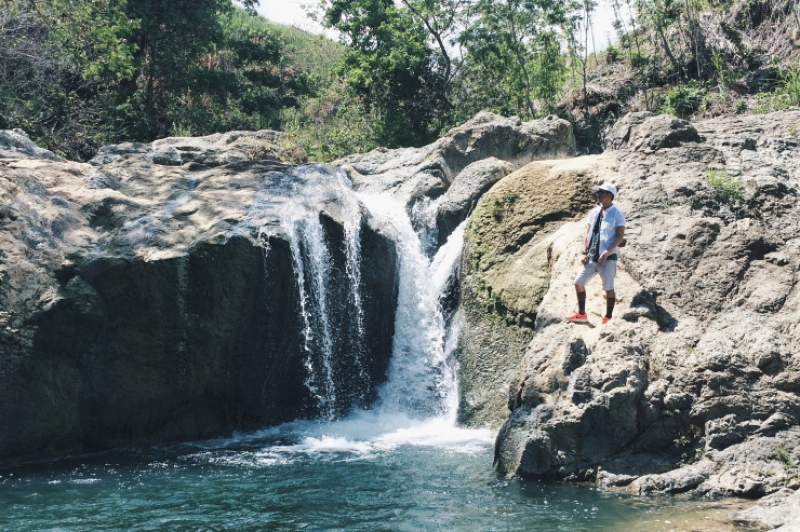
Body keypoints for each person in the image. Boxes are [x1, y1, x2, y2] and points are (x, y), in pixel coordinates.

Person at [565, 182, 626, 324]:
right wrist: (584, 252)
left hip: (608, 258)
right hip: (591, 256)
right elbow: (587, 232)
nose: (598, 195)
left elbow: (619, 236)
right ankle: (581, 314)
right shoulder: (593, 212)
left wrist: (607, 251)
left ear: (610, 196)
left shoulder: (617, 214)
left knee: (608, 288)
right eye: (598, 193)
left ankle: (608, 318)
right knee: (578, 282)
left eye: (602, 193)